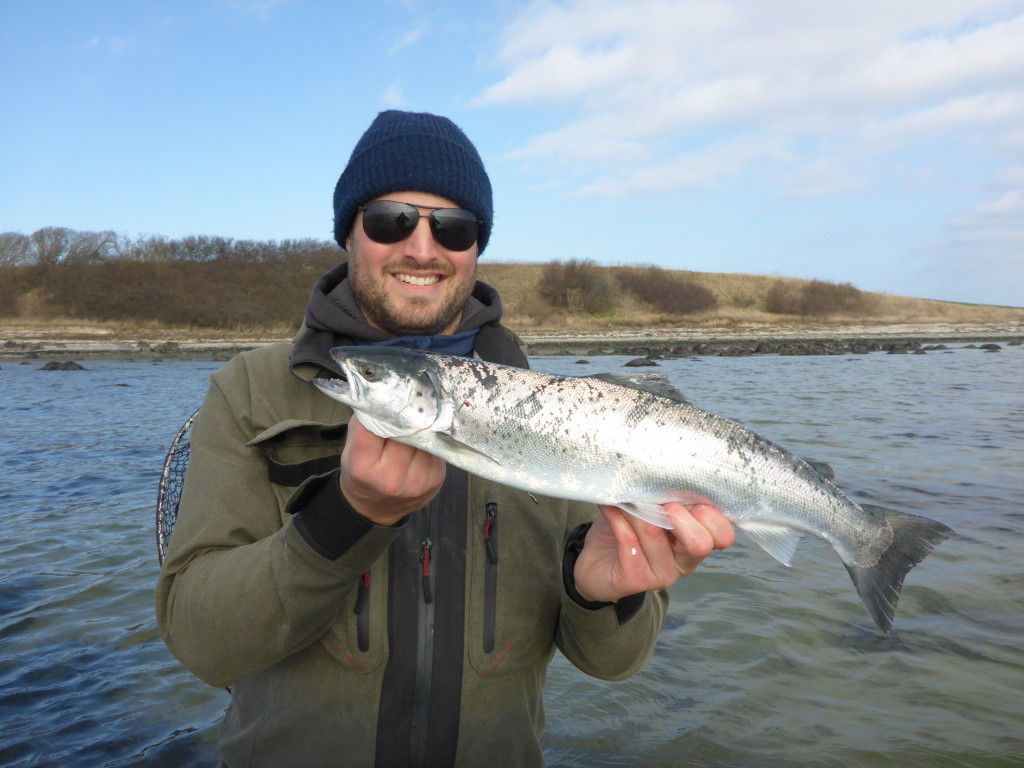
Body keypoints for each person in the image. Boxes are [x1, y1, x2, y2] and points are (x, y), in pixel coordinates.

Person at [156, 109, 735, 768]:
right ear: (349, 230)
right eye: (390, 220)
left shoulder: (560, 412)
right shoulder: (247, 392)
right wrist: (342, 522)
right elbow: (200, 642)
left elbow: (613, 662)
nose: (423, 249)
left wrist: (602, 593)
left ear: (476, 248)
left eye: (453, 228)